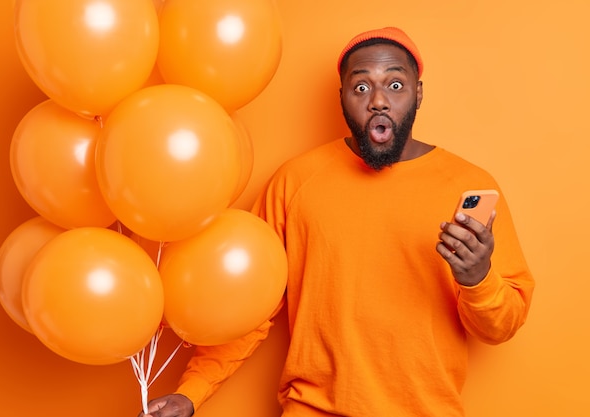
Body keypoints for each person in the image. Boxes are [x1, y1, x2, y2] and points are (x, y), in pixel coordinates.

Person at [140, 26, 535, 417]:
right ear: (342, 97)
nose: (378, 100)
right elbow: (249, 309)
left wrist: (477, 277)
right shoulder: (294, 182)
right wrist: (191, 392)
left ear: (418, 93)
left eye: (395, 85)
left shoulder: (467, 186)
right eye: (361, 87)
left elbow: (500, 328)